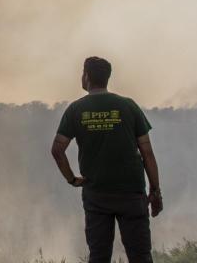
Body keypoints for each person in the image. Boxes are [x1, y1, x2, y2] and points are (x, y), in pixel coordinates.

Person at [51, 56, 161, 263]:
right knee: (140, 256)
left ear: (86, 77)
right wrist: (155, 191)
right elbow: (147, 153)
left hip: (96, 194)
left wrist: (72, 179)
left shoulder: (76, 109)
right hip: (131, 193)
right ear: (107, 78)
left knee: (99, 256)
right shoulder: (128, 106)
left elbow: (57, 150)